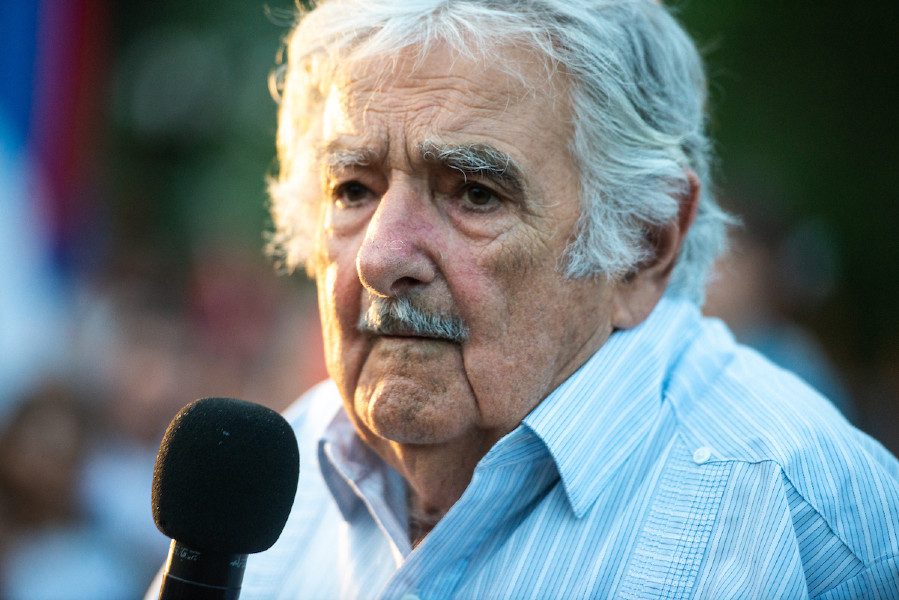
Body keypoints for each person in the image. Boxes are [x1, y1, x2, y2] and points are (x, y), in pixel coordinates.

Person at [147, 0, 899, 598]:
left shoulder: (798, 522)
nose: (380, 256)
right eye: (353, 189)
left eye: (473, 193)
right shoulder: (269, 481)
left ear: (643, 246)